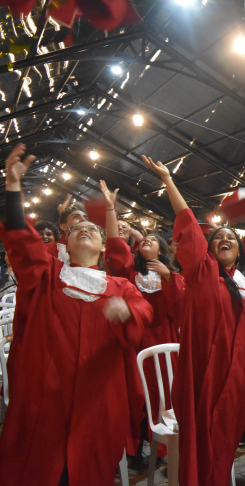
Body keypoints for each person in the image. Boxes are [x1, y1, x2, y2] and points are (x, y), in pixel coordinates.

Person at [0, 144, 153, 485]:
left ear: (103, 247)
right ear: (64, 245)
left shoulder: (119, 287)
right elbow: (22, 244)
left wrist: (127, 312)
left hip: (96, 403)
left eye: (94, 230)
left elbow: (143, 313)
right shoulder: (47, 275)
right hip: (45, 400)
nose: (84, 229)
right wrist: (13, 187)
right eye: (75, 229)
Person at [143, 155, 245, 486]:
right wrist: (169, 181)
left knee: (226, 437)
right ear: (209, 249)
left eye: (230, 237)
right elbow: (187, 223)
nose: (224, 239)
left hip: (237, 374)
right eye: (218, 237)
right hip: (204, 372)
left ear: (240, 250)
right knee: (201, 437)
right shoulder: (202, 272)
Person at [102, 181, 186, 459]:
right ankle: (135, 448)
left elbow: (180, 308)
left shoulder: (174, 277)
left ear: (162, 251)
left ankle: (163, 447)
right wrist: (111, 210)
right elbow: (115, 245)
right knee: (135, 394)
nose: (145, 242)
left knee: (164, 392)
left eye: (152, 241)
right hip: (134, 340)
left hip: (164, 340)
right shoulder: (128, 271)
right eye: (143, 242)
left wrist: (167, 277)